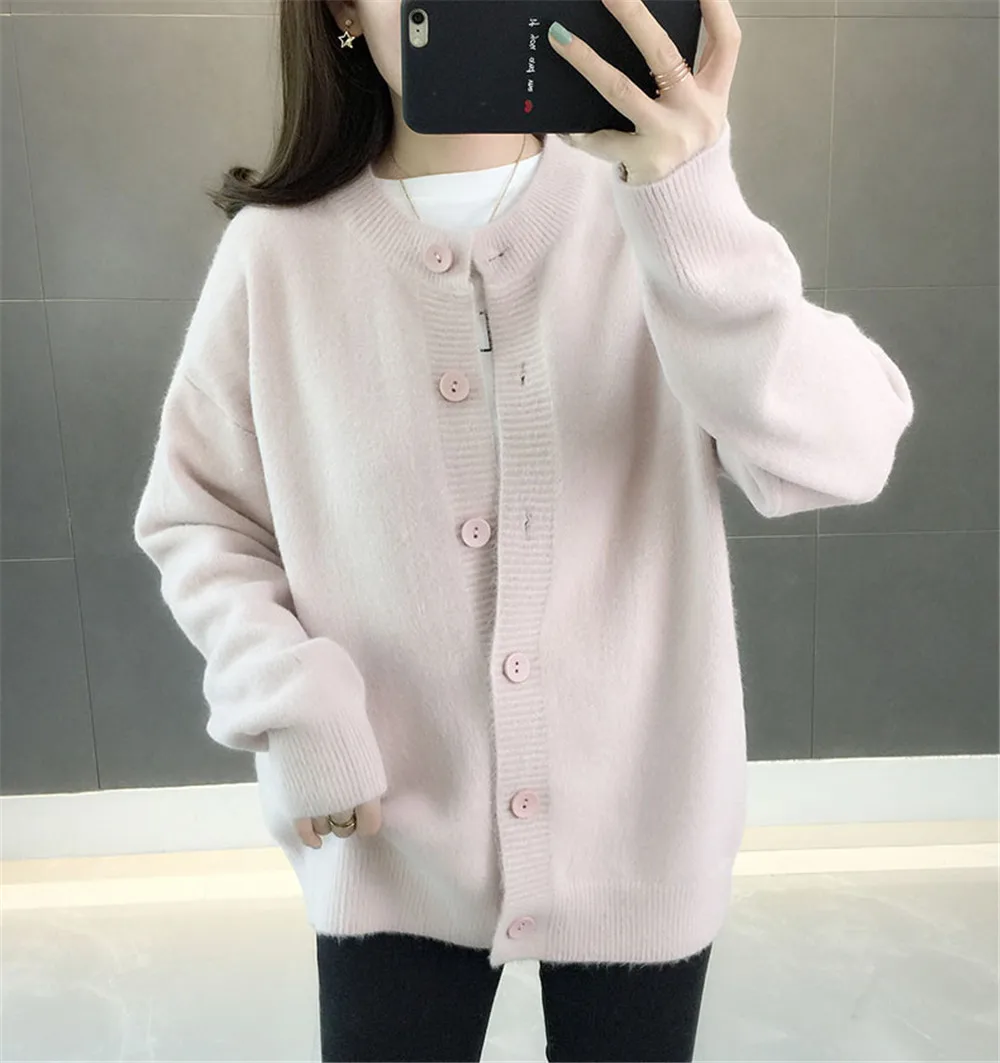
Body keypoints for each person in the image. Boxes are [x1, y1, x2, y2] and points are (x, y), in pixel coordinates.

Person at [134, 0, 914, 1059]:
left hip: (641, 830)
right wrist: (291, 700)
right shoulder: (274, 255)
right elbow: (199, 517)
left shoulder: (657, 216)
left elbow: (843, 454)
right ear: (341, 11)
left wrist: (692, 200)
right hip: (385, 827)